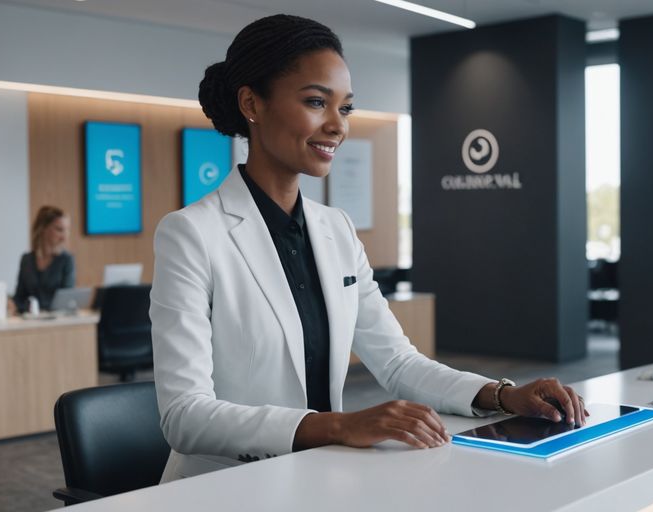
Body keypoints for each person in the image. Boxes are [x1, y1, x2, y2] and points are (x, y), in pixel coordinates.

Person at [150, 14, 587, 482]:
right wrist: (340, 424)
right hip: (223, 486)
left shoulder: (335, 229)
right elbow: (185, 416)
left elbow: (397, 362)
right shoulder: (191, 233)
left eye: (346, 109)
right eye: (317, 102)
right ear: (252, 103)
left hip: (316, 475)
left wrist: (503, 396)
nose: (337, 126)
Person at [13, 205, 75, 313]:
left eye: (67, 230)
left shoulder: (66, 260)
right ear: (43, 229)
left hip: (57, 320)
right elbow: (19, 297)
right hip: (29, 320)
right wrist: (12, 304)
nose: (64, 236)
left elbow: (66, 300)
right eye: (59, 230)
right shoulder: (27, 260)